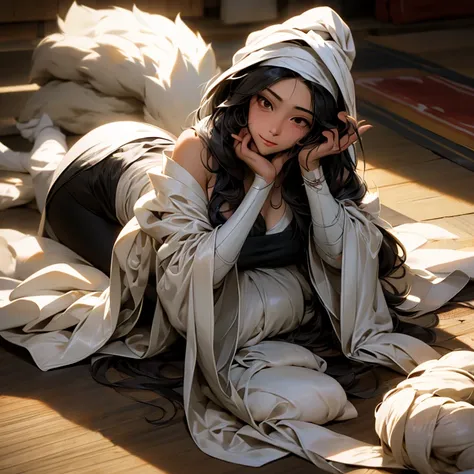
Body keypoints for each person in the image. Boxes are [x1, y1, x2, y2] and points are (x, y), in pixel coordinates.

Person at [0, 5, 472, 473]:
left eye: (298, 119)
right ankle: (43, 141)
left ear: (319, 127)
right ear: (245, 95)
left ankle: (42, 145)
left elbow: (341, 255)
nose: (272, 128)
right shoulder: (199, 149)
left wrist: (309, 175)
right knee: (126, 278)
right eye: (266, 102)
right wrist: (260, 188)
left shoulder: (308, 160)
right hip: (90, 185)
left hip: (149, 151)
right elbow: (189, 278)